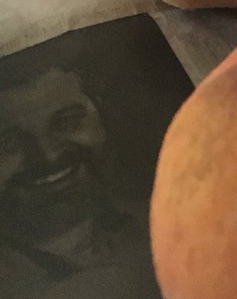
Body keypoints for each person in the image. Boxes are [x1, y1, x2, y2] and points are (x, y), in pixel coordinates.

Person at [0, 47, 158, 298]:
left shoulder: (169, 224)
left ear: (102, 118)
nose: (48, 155)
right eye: (9, 143)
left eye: (67, 121)